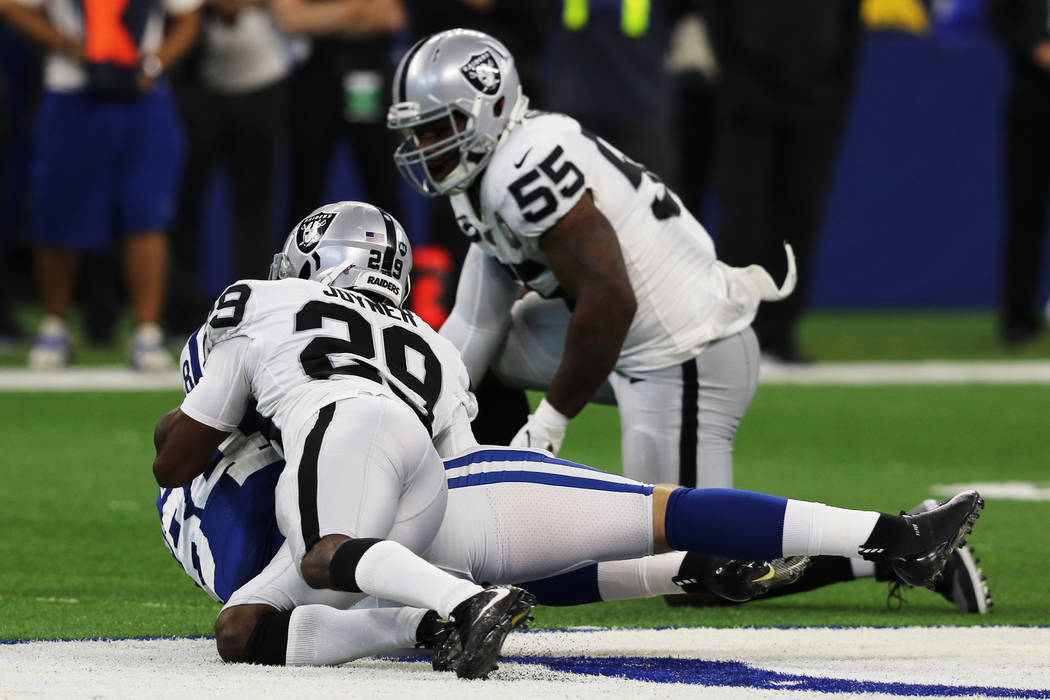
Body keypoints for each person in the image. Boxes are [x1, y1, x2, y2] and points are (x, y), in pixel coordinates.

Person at [160, 317, 986, 669]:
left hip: (324, 550)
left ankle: (440, 614)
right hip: (436, 498)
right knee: (668, 512)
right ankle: (890, 535)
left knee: (277, 604)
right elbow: (456, 467)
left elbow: (179, 449)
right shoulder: (428, 348)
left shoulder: (258, 317)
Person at [386, 28, 794, 491]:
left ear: (493, 108)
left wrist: (547, 425)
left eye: (439, 127)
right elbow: (477, 324)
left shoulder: (524, 167)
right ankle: (494, 499)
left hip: (686, 347)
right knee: (481, 366)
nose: (425, 146)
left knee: (680, 542)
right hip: (629, 337)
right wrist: (411, 418)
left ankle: (874, 541)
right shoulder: (483, 171)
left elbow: (611, 300)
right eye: (416, 132)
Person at [152, 201, 536, 679]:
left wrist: (180, 424)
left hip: (347, 432)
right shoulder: (438, 347)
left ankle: (466, 602)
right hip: (419, 489)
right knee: (240, 630)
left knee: (318, 550)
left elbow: (173, 465)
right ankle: (427, 625)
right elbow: (466, 476)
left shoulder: (268, 300)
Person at [4, 0, 201, 370]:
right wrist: (66, 44)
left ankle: (146, 331)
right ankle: (54, 324)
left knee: (147, 213)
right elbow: (14, 7)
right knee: (58, 214)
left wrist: (154, 63)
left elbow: (187, 16)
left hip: (142, 98)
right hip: (72, 92)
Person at [702, 0, 863, 364]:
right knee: (744, 220)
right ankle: (732, 335)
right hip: (748, 101)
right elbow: (717, 15)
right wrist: (736, 82)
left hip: (816, 101)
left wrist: (836, 95)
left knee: (800, 217)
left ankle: (781, 333)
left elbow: (851, 27)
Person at [988, 0, 1050, 347]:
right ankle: (1019, 319)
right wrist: (1034, 46)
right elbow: (1000, 16)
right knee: (1026, 211)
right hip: (1034, 95)